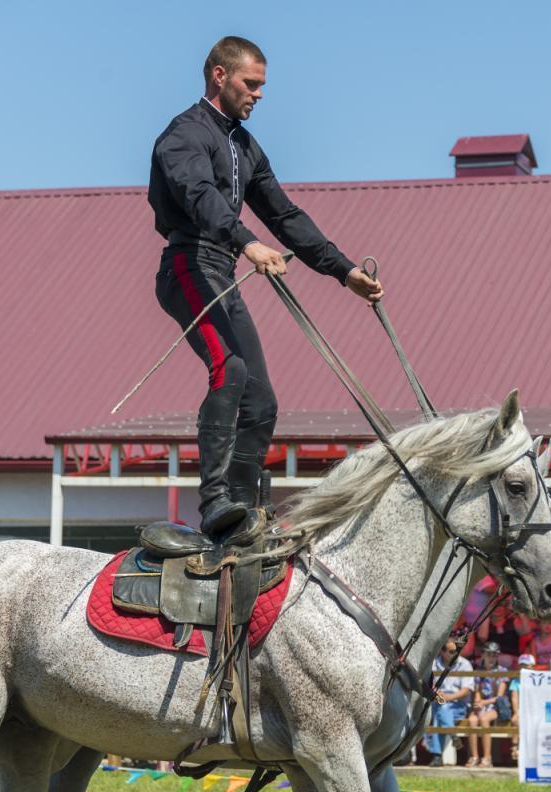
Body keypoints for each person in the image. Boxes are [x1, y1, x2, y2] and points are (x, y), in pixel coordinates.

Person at [149, 36, 383, 539]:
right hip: (187, 267)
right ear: (219, 76)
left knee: (262, 402)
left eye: (262, 86)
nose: (259, 95)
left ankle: (244, 510)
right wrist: (247, 241)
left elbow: (284, 214)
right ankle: (213, 503)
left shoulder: (245, 147)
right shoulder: (183, 135)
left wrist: (343, 272)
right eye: (250, 84)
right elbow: (198, 195)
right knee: (229, 368)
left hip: (222, 271)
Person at [425, 640, 474, 765]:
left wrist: (448, 698)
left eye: (457, 651)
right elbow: (428, 685)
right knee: (440, 711)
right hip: (439, 703)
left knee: (440, 712)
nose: (456, 654)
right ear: (442, 652)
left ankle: (437, 756)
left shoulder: (465, 664)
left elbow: (466, 690)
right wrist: (437, 694)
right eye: (452, 651)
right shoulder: (434, 664)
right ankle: (453, 735)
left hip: (459, 705)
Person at [465, 642, 508, 768]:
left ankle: (487, 758)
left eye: (494, 655)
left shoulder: (502, 671)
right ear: (483, 655)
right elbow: (478, 692)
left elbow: (499, 697)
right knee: (472, 720)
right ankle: (474, 756)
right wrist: (478, 704)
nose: (491, 658)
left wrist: (483, 703)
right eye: (488, 654)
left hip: (496, 706)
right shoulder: (479, 671)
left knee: (484, 719)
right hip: (483, 705)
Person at [476, 600, 521, 665]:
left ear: (505, 609)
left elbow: (527, 632)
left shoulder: (513, 622)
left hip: (511, 659)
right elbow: (482, 638)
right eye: (494, 606)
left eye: (501, 606)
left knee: (506, 659)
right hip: (491, 658)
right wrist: (487, 613)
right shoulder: (486, 624)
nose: (497, 608)